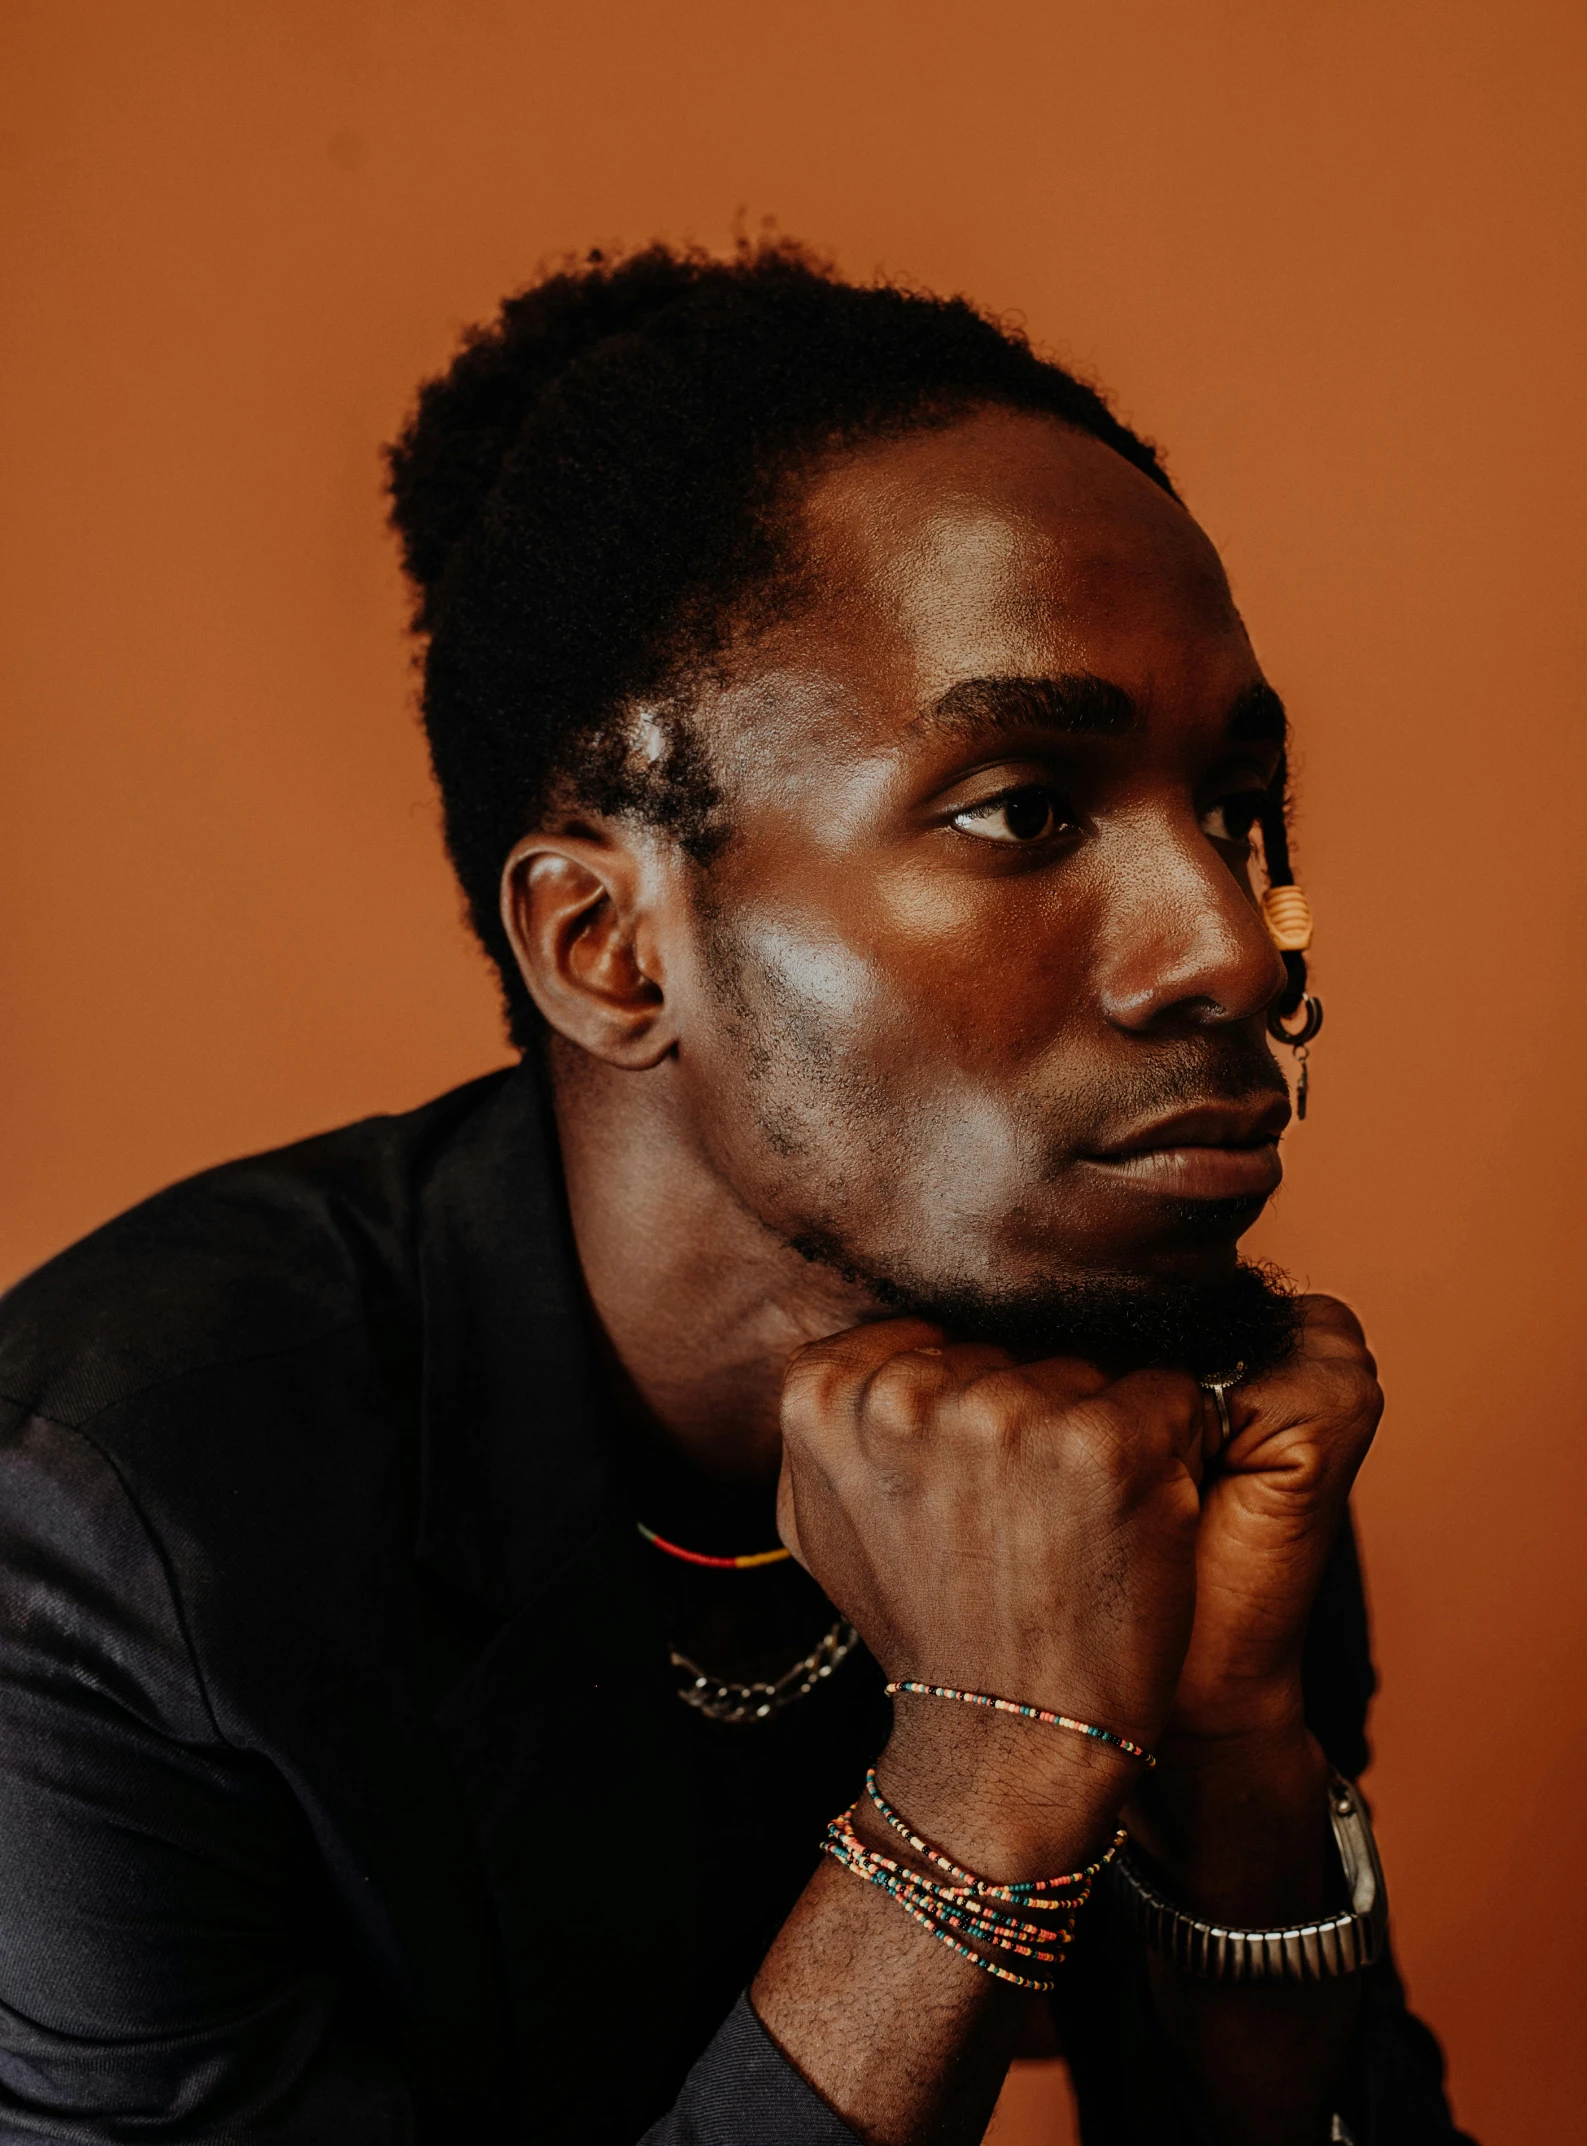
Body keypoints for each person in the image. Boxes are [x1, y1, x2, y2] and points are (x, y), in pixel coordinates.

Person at [0, 242, 1470, 2146]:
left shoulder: (1143, 1406)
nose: (1226, 947)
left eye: (1234, 807)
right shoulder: (113, 1548)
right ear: (613, 946)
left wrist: (1232, 1758)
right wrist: (975, 1794)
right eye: (1024, 804)